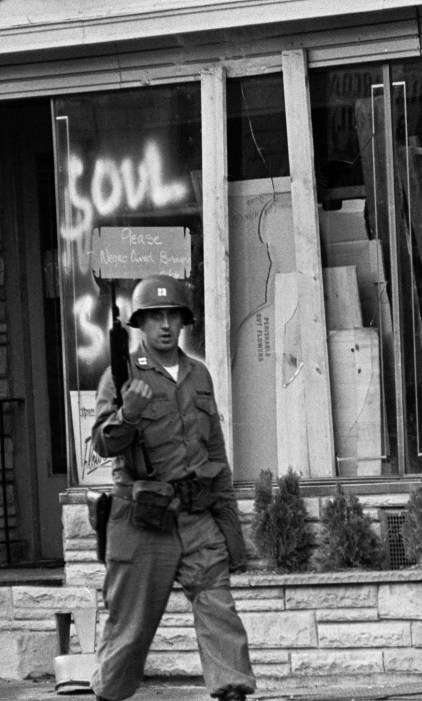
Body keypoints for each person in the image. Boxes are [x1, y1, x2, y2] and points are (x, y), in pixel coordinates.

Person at [90, 274, 256, 701]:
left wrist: (231, 532)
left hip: (196, 515)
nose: (165, 325)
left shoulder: (199, 375)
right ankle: (109, 693)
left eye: (173, 315)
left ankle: (232, 691)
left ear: (184, 321)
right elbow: (102, 445)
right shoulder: (120, 375)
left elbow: (215, 454)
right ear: (139, 324)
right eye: (154, 316)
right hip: (143, 521)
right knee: (130, 627)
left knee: (219, 608)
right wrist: (128, 413)